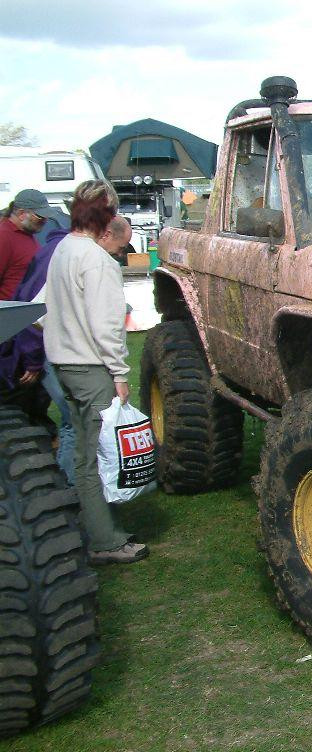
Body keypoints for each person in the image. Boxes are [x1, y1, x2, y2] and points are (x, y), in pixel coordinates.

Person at [46, 181, 148, 564]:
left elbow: (41, 308)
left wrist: (64, 338)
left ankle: (100, 528)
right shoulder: (94, 258)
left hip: (64, 365)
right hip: (89, 367)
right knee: (98, 455)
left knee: (86, 453)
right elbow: (107, 326)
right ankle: (105, 541)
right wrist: (120, 374)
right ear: (104, 212)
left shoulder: (62, 249)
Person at [0, 222, 77, 482]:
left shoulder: (43, 246)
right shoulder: (60, 254)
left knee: (45, 414)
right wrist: (32, 362)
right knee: (71, 418)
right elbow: (36, 316)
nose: (41, 222)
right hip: (29, 342)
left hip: (32, 342)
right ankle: (67, 483)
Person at [0, 189, 61, 299]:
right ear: (21, 214)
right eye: (40, 216)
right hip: (10, 310)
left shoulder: (27, 233)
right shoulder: (4, 235)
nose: (45, 220)